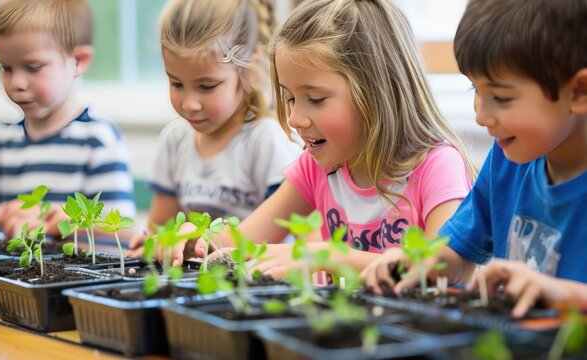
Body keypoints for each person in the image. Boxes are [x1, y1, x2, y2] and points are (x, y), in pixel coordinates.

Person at [164, 0, 476, 274]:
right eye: (289, 99)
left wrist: (327, 255)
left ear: (377, 92)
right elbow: (243, 241)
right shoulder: (316, 168)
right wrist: (195, 240)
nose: (295, 119)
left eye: (315, 99)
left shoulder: (437, 166)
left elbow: (442, 267)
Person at [361, 0, 587, 318]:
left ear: (579, 92)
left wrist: (561, 294)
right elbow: (457, 253)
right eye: (474, 89)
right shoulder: (507, 160)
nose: (481, 115)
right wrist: (419, 261)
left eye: (501, 98)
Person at [0, 0, 136, 238]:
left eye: (33, 67)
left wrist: (63, 220)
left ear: (79, 60)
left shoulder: (98, 140)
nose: (17, 84)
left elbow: (121, 230)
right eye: (6, 68)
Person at [126, 0, 300, 256]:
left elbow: (280, 237)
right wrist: (154, 245)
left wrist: (196, 241)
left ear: (249, 72)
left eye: (206, 86)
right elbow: (159, 229)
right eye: (176, 84)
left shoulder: (267, 140)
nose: (189, 103)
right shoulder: (175, 139)